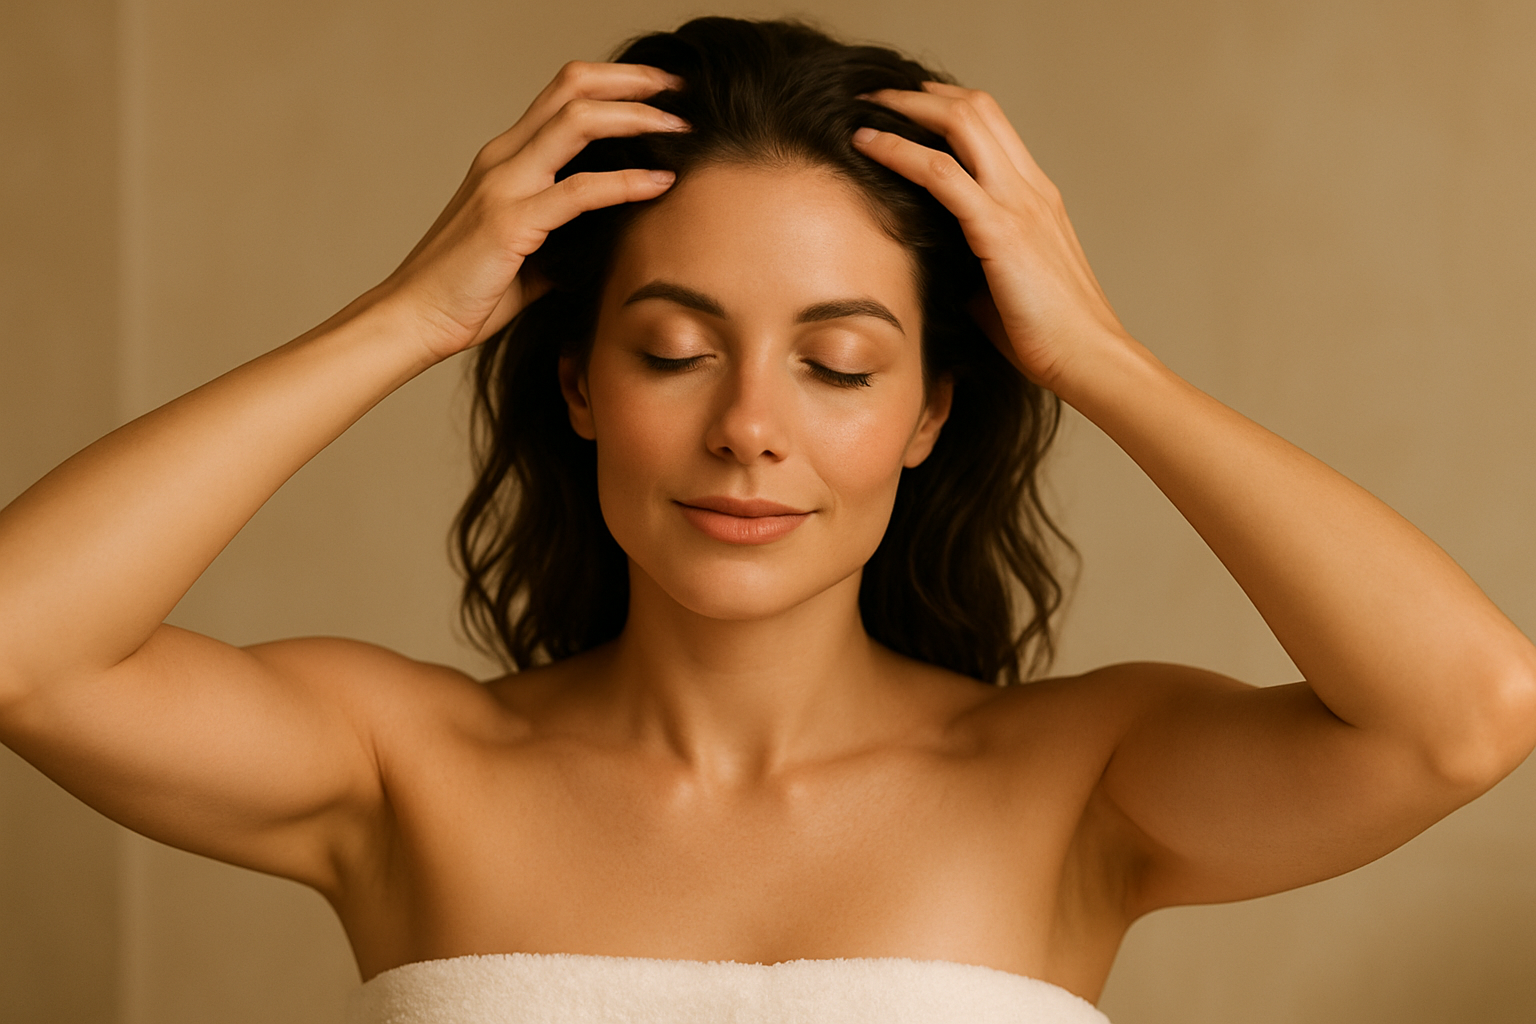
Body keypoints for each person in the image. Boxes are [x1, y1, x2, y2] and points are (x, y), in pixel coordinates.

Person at [0, 16, 1532, 1024]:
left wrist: (1097, 356)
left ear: (928, 412)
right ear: (579, 382)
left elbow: (1467, 710)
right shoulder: (405, 768)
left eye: (839, 363)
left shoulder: (1073, 783)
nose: (748, 425)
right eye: (673, 350)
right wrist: (407, 316)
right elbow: (22, 647)